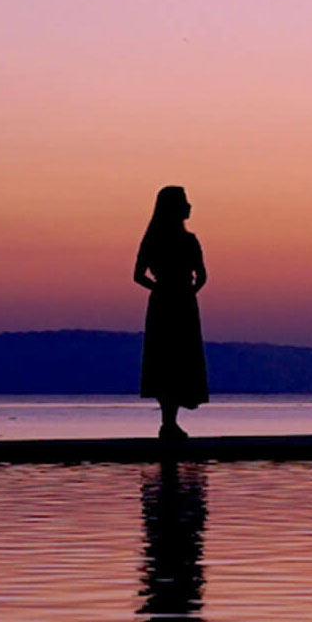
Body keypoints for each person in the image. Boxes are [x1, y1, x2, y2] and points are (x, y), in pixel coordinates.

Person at [134, 185, 208, 441]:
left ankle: (169, 423)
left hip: (170, 302)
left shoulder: (178, 240)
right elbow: (202, 277)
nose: (189, 206)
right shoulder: (184, 241)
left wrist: (164, 290)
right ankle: (169, 423)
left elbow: (139, 276)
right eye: (185, 201)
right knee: (168, 359)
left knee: (173, 359)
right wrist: (183, 291)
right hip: (175, 302)